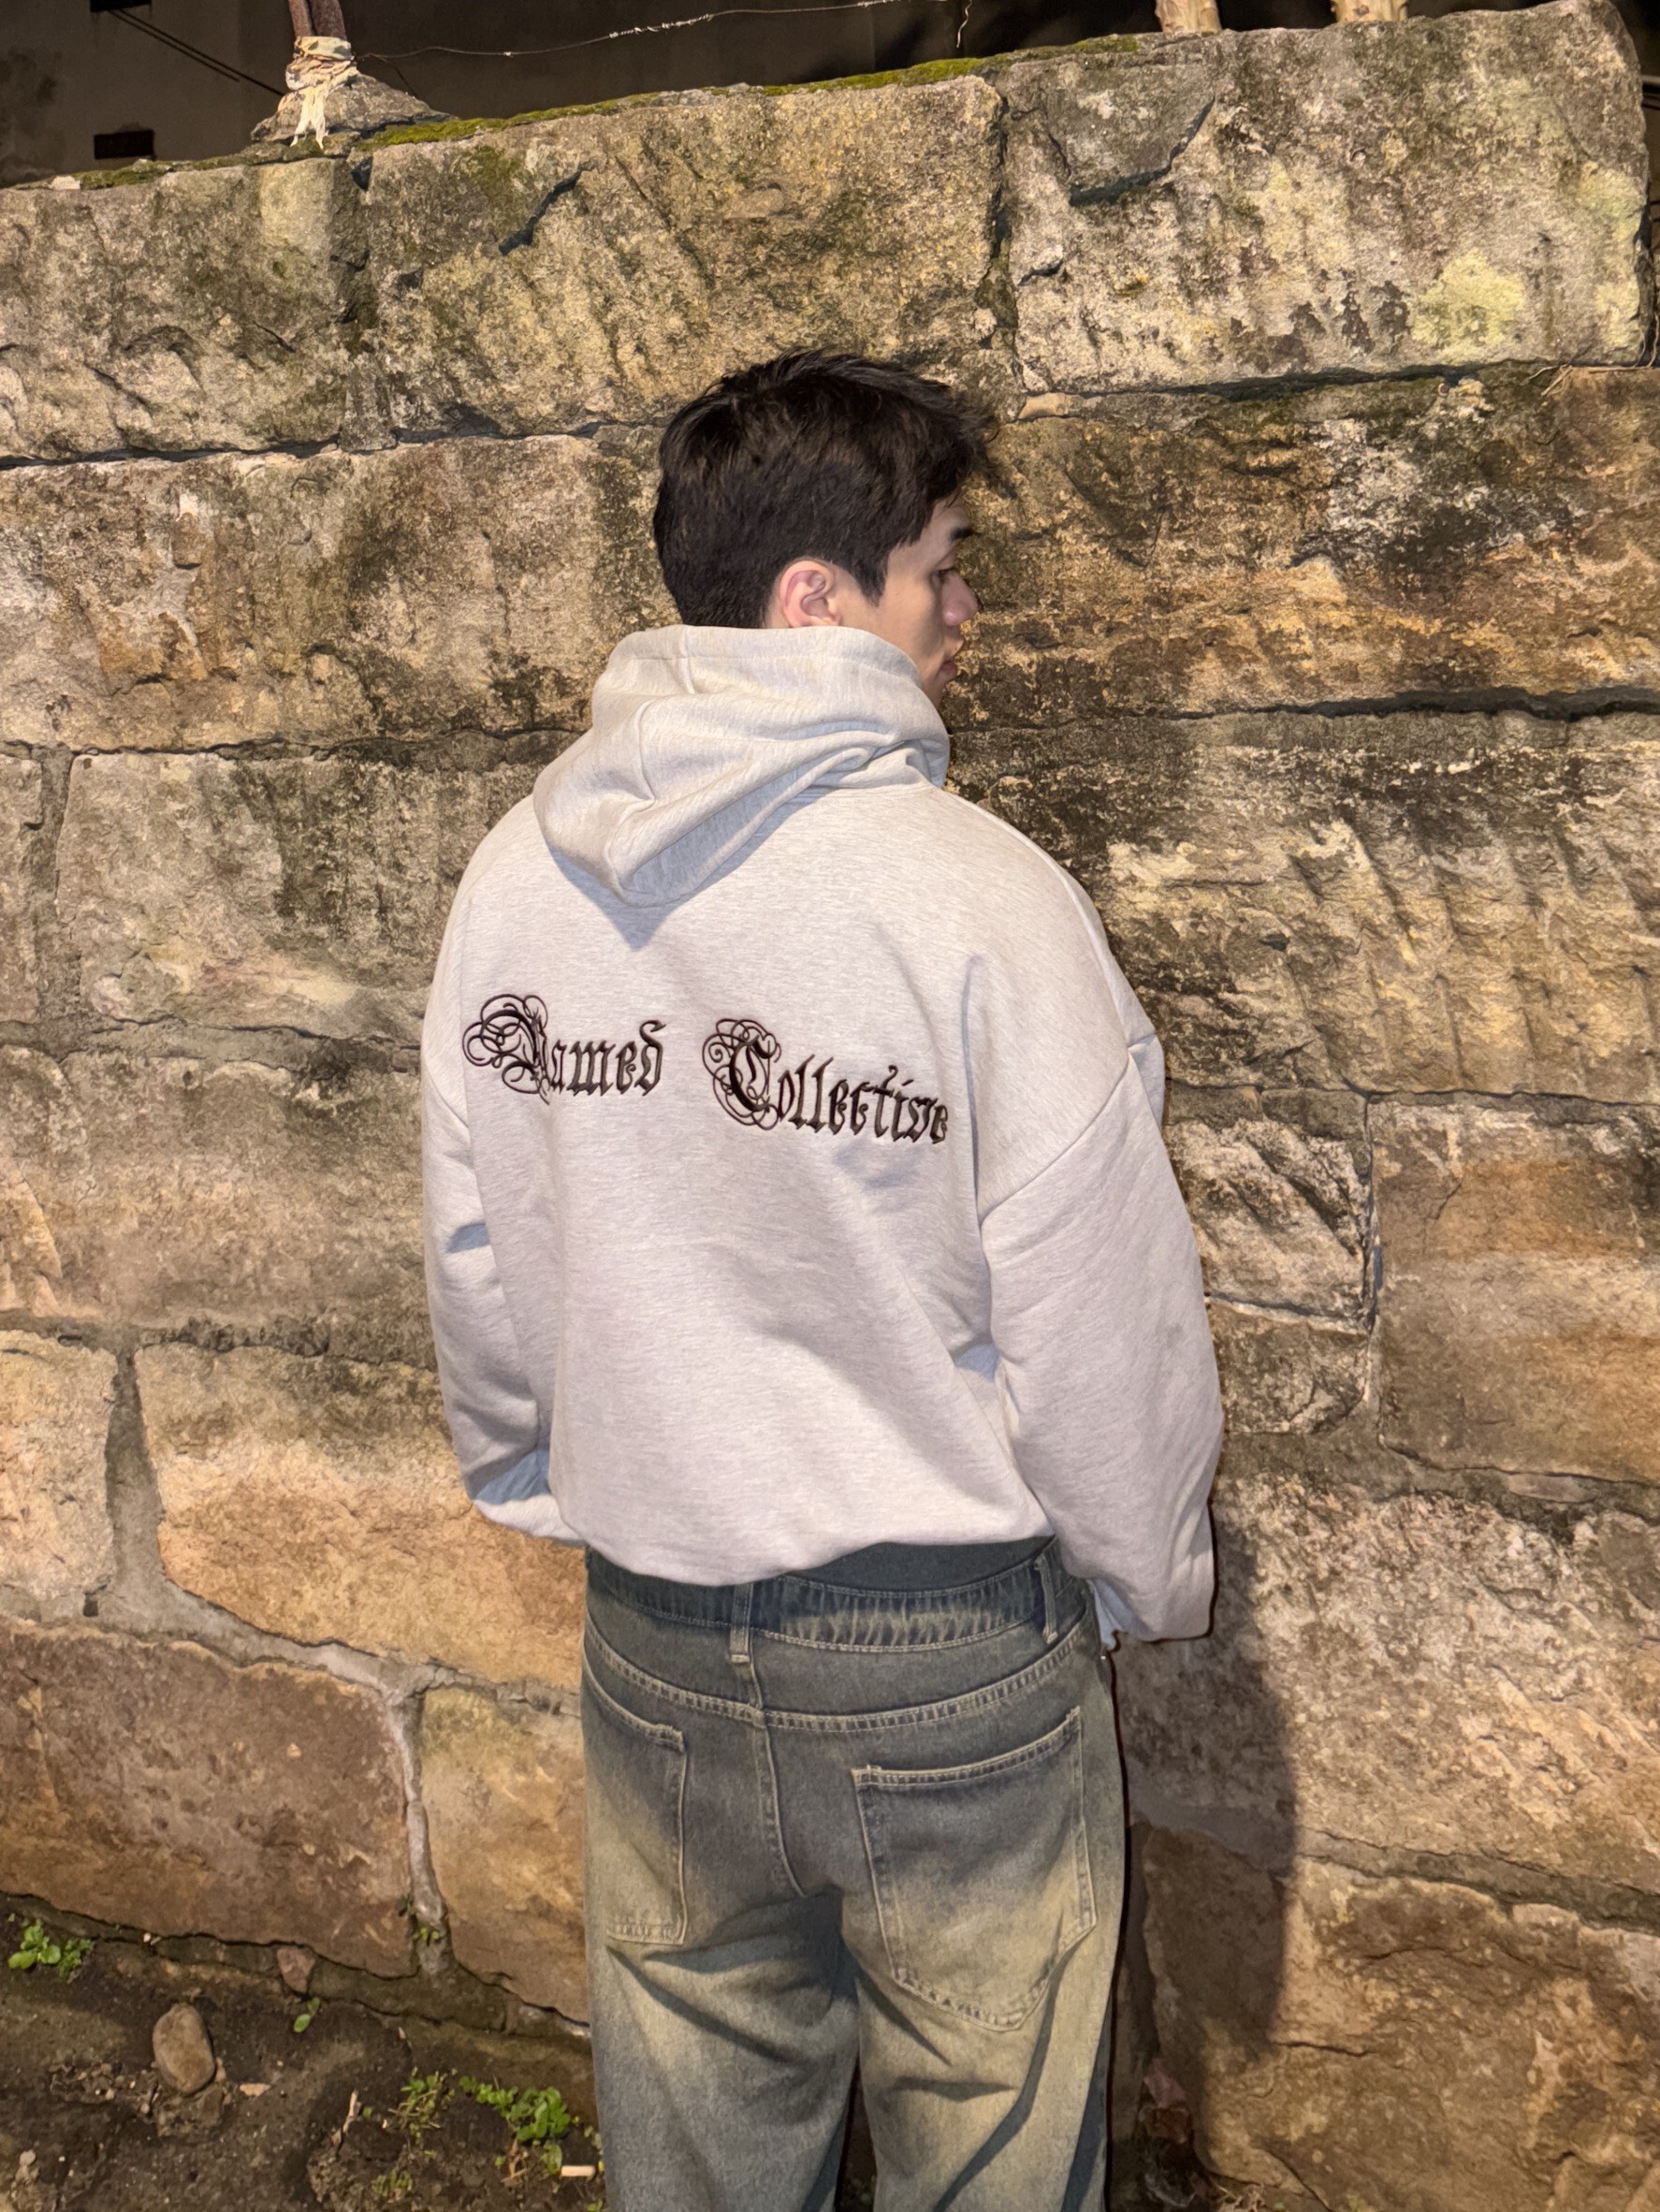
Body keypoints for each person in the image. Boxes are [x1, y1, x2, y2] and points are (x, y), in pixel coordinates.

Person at [421, 352, 1222, 2212]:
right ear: (814, 601)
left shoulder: (515, 886)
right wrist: (1139, 1574)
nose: (965, 610)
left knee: (696, 2136)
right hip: (947, 1659)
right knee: (988, 2146)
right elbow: (1097, 1317)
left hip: (655, 1633)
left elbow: (478, 1252)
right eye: (939, 567)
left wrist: (552, 1482)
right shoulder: (977, 899)